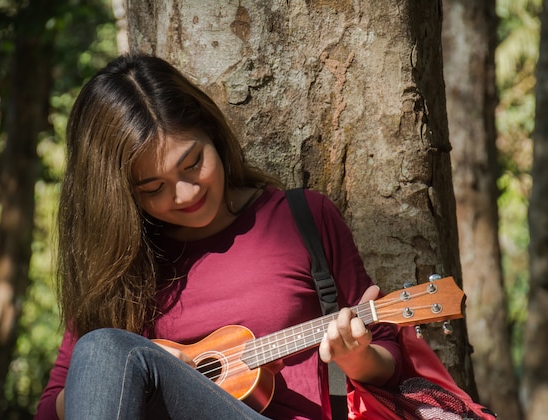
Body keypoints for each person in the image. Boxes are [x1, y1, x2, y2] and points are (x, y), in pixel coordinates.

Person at [35, 53, 402, 420]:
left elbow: (391, 357)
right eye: (153, 187)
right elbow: (52, 410)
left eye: (192, 164)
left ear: (211, 132)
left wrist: (356, 357)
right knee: (103, 349)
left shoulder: (301, 217)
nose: (185, 194)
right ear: (121, 195)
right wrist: (140, 370)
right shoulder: (120, 264)